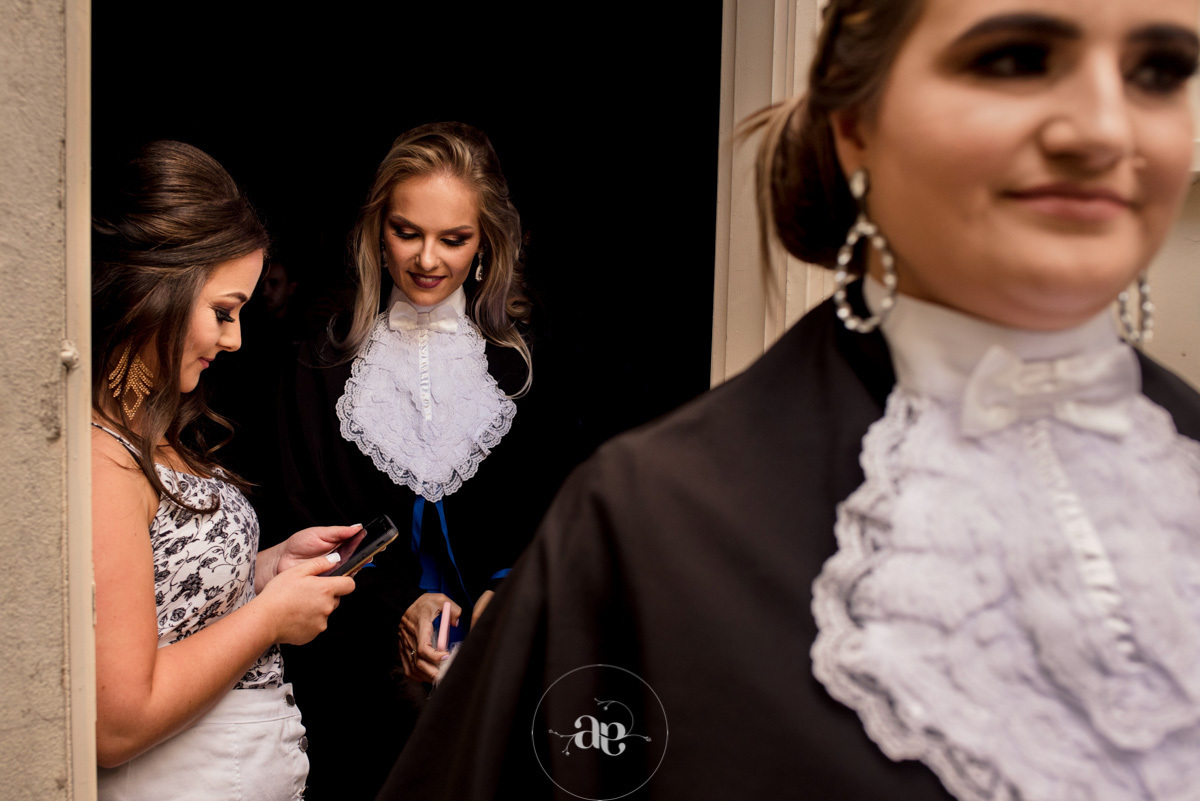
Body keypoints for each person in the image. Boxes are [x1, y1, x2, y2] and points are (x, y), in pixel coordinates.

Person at [376, 1, 1200, 799]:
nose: (1102, 127)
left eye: (1160, 69)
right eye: (1015, 60)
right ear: (857, 124)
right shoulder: (649, 517)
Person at [271, 122, 565, 799]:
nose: (428, 258)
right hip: (356, 667)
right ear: (378, 230)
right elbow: (303, 514)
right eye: (408, 232)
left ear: (486, 241)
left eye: (454, 239)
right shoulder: (321, 358)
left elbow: (556, 508)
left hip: (506, 662)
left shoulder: (523, 360)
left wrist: (503, 594)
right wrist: (399, 608)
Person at [90, 140, 359, 801]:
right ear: (157, 290)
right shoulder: (102, 459)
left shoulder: (149, 430)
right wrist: (270, 618)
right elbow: (119, 721)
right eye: (222, 311)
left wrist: (267, 569)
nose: (236, 338)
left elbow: (167, 598)